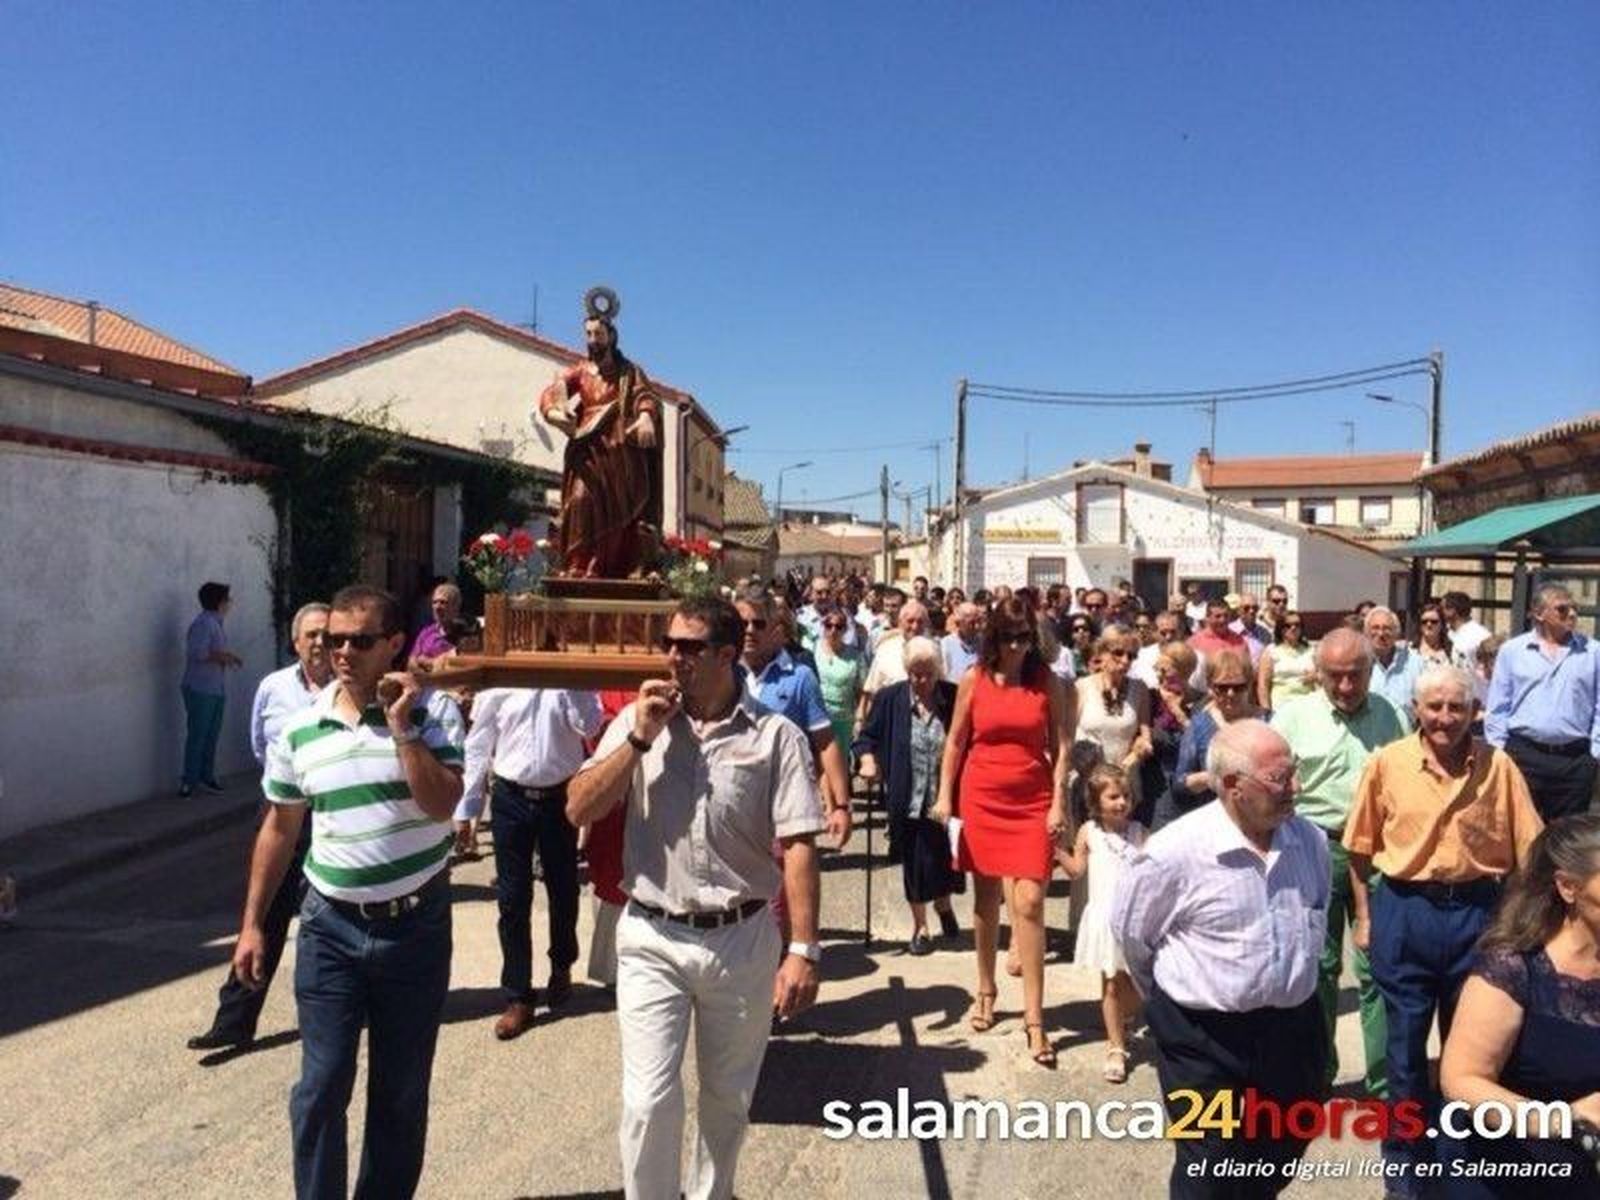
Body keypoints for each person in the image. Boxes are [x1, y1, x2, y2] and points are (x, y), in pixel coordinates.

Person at [566, 596, 825, 1200]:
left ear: (729, 655)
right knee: (648, 1100)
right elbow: (578, 806)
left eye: (690, 647)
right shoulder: (639, 723)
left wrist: (804, 949)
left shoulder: (776, 738)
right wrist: (636, 739)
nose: (674, 658)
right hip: (654, 933)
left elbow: (800, 844)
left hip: (742, 937)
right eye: (670, 644)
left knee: (727, 1100)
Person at [236, 584, 465, 1200]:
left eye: (360, 641)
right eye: (334, 639)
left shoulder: (434, 713)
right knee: (320, 1086)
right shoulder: (301, 729)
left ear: (393, 643)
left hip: (414, 930)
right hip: (329, 928)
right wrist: (253, 923)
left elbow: (444, 804)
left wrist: (401, 731)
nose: (342, 652)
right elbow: (280, 828)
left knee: (399, 1091)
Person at [1344, 665, 1545, 1193]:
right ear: (1416, 709)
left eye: (1457, 707)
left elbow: (1532, 851)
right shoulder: (1387, 764)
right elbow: (1360, 849)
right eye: (1435, 706)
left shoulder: (1499, 767)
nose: (1445, 718)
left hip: (1479, 915)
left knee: (1473, 1058)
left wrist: (1521, 925)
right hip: (1406, 912)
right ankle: (1406, 1173)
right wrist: (1365, 919)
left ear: (1475, 711)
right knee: (1405, 1056)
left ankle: (1463, 1169)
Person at [1112, 719, 1330, 1197]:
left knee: (1277, 1151)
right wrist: (1173, 1003)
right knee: (1209, 1167)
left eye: (1294, 772)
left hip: (1291, 1032)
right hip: (1203, 1039)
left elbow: (1316, 915)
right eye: (1280, 778)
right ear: (1233, 786)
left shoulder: (1309, 841)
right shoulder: (1173, 853)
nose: (1295, 787)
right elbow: (1133, 937)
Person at [935, 597, 1074, 1068]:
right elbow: (955, 741)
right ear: (994, 638)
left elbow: (1062, 746)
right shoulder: (974, 679)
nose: (1016, 647)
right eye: (1009, 638)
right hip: (982, 795)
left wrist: (1059, 802)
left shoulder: (1047, 683)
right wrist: (943, 796)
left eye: (1024, 639)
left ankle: (1035, 1018)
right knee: (985, 899)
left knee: (1031, 901)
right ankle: (986, 988)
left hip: (1032, 799)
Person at [188, 602, 332, 1053]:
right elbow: (259, 746)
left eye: (327, 634)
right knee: (262, 914)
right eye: (311, 635)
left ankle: (333, 1012)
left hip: (331, 815)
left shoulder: (350, 691)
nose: (320, 643)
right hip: (280, 812)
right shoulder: (272, 688)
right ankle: (234, 1020)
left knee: (326, 922)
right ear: (296, 642)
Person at [1270, 627, 1406, 1098]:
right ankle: (1317, 1074)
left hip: (1377, 854)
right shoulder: (1291, 719)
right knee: (1318, 966)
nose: (1346, 687)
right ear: (1318, 673)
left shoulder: (1391, 715)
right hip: (1315, 849)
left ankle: (1385, 1084)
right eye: (1335, 677)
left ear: (1371, 671)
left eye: (1355, 676)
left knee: (1378, 968)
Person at [1439, 813, 1600, 1198]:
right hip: (1508, 1170)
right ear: (1568, 887)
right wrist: (1565, 1121)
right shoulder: (1513, 967)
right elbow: (1462, 1080)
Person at [455, 686, 604, 1040]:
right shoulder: (498, 685)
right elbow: (479, 743)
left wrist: (570, 683)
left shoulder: (570, 681)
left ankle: (561, 964)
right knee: (512, 899)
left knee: (563, 889)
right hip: (511, 797)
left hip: (560, 796)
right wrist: (468, 806)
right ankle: (518, 995)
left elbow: (591, 726)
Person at [536, 292, 662, 578]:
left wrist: (644, 418)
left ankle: (616, 567)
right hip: (588, 451)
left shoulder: (628, 372)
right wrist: (556, 414)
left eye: (599, 334)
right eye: (589, 334)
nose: (593, 340)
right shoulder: (580, 372)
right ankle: (579, 564)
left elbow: (647, 397)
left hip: (620, 454)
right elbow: (552, 393)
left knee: (621, 512)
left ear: (611, 336)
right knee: (581, 502)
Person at [854, 637, 964, 956]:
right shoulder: (890, 699)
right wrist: (867, 759)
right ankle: (921, 927)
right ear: (906, 671)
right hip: (908, 797)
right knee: (915, 864)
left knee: (945, 860)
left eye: (928, 673)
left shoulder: (952, 696)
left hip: (945, 796)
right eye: (915, 674)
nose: (922, 681)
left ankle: (943, 905)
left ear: (938, 671)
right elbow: (866, 738)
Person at [735, 589, 852, 846]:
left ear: (774, 628)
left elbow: (826, 742)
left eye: (759, 623)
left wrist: (841, 806)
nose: (750, 630)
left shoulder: (801, 677)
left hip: (785, 808)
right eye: (742, 624)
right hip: (734, 808)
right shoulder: (724, 672)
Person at [1058, 765, 1145, 1084]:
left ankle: (1125, 1020)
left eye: (1125, 796)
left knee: (1139, 985)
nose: (1121, 802)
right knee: (1110, 983)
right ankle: (1116, 1048)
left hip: (1135, 921)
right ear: (1096, 801)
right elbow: (1077, 870)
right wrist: (1056, 849)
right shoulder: (1089, 832)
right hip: (1105, 918)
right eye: (1113, 797)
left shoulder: (1139, 832)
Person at [1486, 583, 1600, 823]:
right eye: (1562, 609)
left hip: (1575, 759)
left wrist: (1595, 753)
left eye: (1574, 609)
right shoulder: (1512, 651)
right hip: (1524, 753)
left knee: (1567, 838)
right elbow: (1498, 706)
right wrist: (1499, 750)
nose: (1572, 614)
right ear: (1539, 613)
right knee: (1520, 829)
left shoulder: (1593, 652)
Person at [1160, 649, 1260, 830]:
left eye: (1238, 687)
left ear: (1250, 685)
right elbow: (1179, 784)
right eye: (1222, 687)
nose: (1230, 693)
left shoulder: (1268, 721)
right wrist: (1212, 778)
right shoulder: (1199, 726)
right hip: (1214, 823)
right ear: (1210, 686)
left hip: (1260, 820)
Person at [1073, 628, 1153, 823]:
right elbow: (1065, 736)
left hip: (1123, 788)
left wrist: (1134, 756)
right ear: (1101, 653)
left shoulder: (1139, 689)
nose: (1125, 660)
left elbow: (1145, 737)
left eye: (1131, 656)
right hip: (1088, 785)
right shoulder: (1081, 687)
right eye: (1118, 653)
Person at [180, 580, 243, 796]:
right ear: (219, 602)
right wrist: (226, 657)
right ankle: (188, 782)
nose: (230, 604)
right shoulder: (204, 623)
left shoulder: (215, 623)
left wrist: (226, 658)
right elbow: (197, 653)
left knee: (211, 735)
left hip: (214, 688)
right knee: (198, 735)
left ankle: (206, 777)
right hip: (200, 688)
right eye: (227, 600)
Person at [1146, 642, 1202, 836]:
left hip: (1190, 783)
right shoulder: (1150, 698)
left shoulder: (1201, 701)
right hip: (1157, 784)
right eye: (1157, 669)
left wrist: (1178, 711)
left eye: (1165, 670)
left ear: (1184, 671)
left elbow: (1201, 739)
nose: (1159, 675)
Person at [813, 605, 867, 766]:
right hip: (818, 717)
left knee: (839, 764)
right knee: (818, 764)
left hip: (844, 719)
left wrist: (860, 718)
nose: (833, 630)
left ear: (845, 630)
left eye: (839, 626)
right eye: (829, 625)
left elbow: (863, 689)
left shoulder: (855, 656)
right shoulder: (814, 650)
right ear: (823, 627)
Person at [1366, 605, 1424, 731]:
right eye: (1375, 628)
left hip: (1405, 738)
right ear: (1366, 632)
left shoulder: (1415, 663)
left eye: (1387, 628)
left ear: (1396, 632)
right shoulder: (1360, 663)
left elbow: (1425, 703)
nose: (1381, 634)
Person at [861, 599, 931, 700]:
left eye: (920, 622)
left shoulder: (934, 651)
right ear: (900, 622)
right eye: (910, 621)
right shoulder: (886, 649)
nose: (915, 627)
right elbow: (872, 689)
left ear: (926, 624)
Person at [1255, 608, 1316, 711]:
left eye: (1297, 625)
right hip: (1281, 708)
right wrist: (1266, 711)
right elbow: (1263, 685)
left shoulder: (1311, 650)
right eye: (1288, 625)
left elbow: (1324, 676)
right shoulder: (1271, 651)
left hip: (1307, 707)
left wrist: (1316, 676)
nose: (1293, 628)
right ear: (1281, 628)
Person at [407, 582, 461, 672]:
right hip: (424, 682)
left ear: (456, 607)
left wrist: (426, 661)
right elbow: (411, 663)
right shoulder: (426, 632)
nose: (437, 607)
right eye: (434, 602)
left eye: (443, 602)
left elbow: (457, 662)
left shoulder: (464, 634)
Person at [1443, 590, 1493, 685]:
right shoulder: (1447, 634)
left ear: (1452, 611)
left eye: (1443, 608)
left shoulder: (1481, 635)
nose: (1440, 612)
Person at [941, 601, 985, 681]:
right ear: (959, 623)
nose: (977, 626)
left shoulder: (984, 642)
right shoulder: (946, 644)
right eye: (971, 623)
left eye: (978, 621)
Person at [1231, 593, 1273, 660]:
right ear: (1238, 611)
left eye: (1255, 608)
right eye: (1246, 608)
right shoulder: (1230, 630)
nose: (1251, 611)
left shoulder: (1265, 634)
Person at [1416, 601, 1453, 667]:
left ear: (1442, 624)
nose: (1429, 624)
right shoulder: (1410, 650)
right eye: (1424, 621)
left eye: (1434, 621)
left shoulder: (1451, 651)